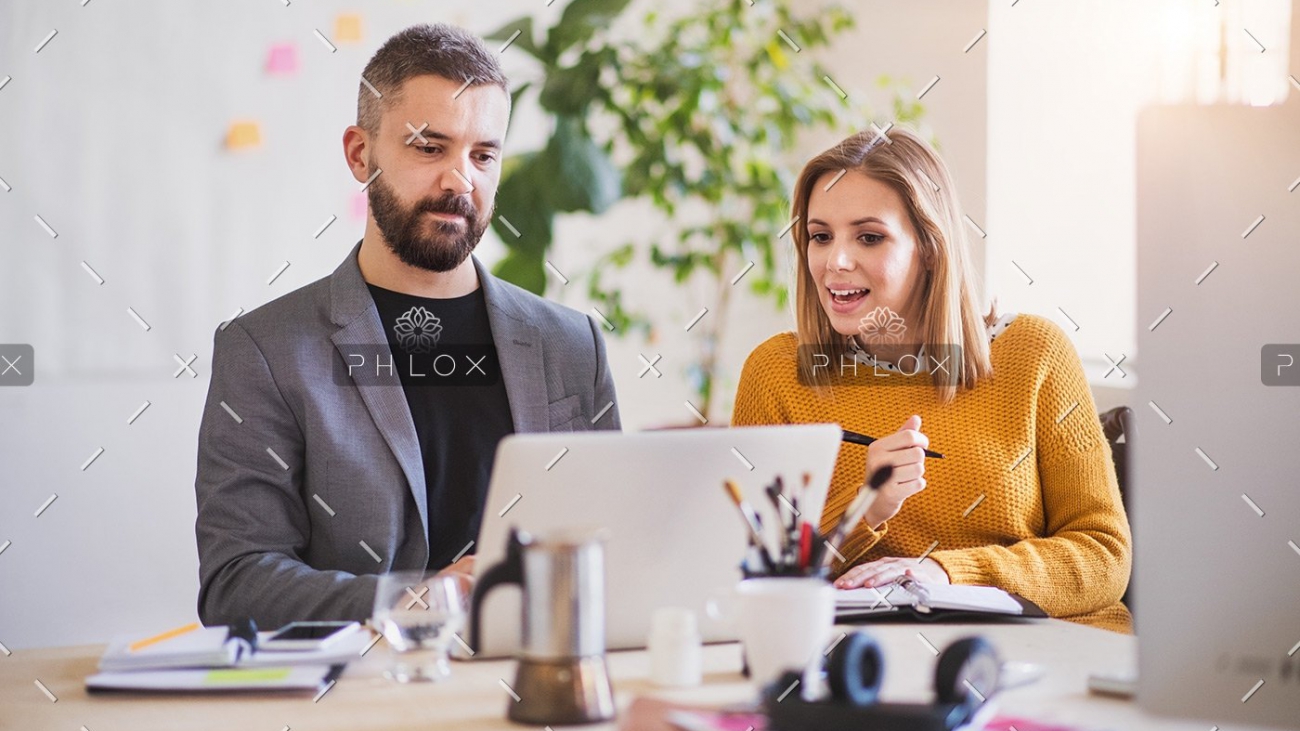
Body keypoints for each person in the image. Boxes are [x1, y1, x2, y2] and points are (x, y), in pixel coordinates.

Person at [194, 24, 621, 629]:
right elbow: (236, 584)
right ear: (360, 154)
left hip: (542, 692)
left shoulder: (572, 346)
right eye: (429, 147)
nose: (460, 180)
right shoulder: (265, 351)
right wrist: (416, 602)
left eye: (483, 154)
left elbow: (614, 547)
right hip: (360, 702)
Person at [732, 127, 1132, 633]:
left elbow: (1103, 556)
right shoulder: (775, 373)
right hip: (866, 659)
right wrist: (865, 507)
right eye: (820, 236)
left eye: (869, 237)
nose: (835, 261)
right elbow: (753, 573)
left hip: (1048, 649)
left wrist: (946, 573)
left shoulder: (1034, 353)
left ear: (929, 245)